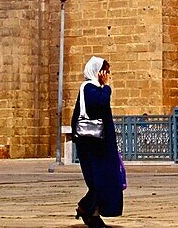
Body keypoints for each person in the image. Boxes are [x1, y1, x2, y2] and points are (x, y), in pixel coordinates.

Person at [71, 56, 124, 227]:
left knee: (105, 179)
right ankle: (88, 211)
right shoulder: (89, 88)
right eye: (105, 71)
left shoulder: (95, 89)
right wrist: (107, 86)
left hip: (101, 144)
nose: (107, 75)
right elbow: (100, 103)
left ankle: (90, 210)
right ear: (97, 72)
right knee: (99, 181)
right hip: (93, 145)